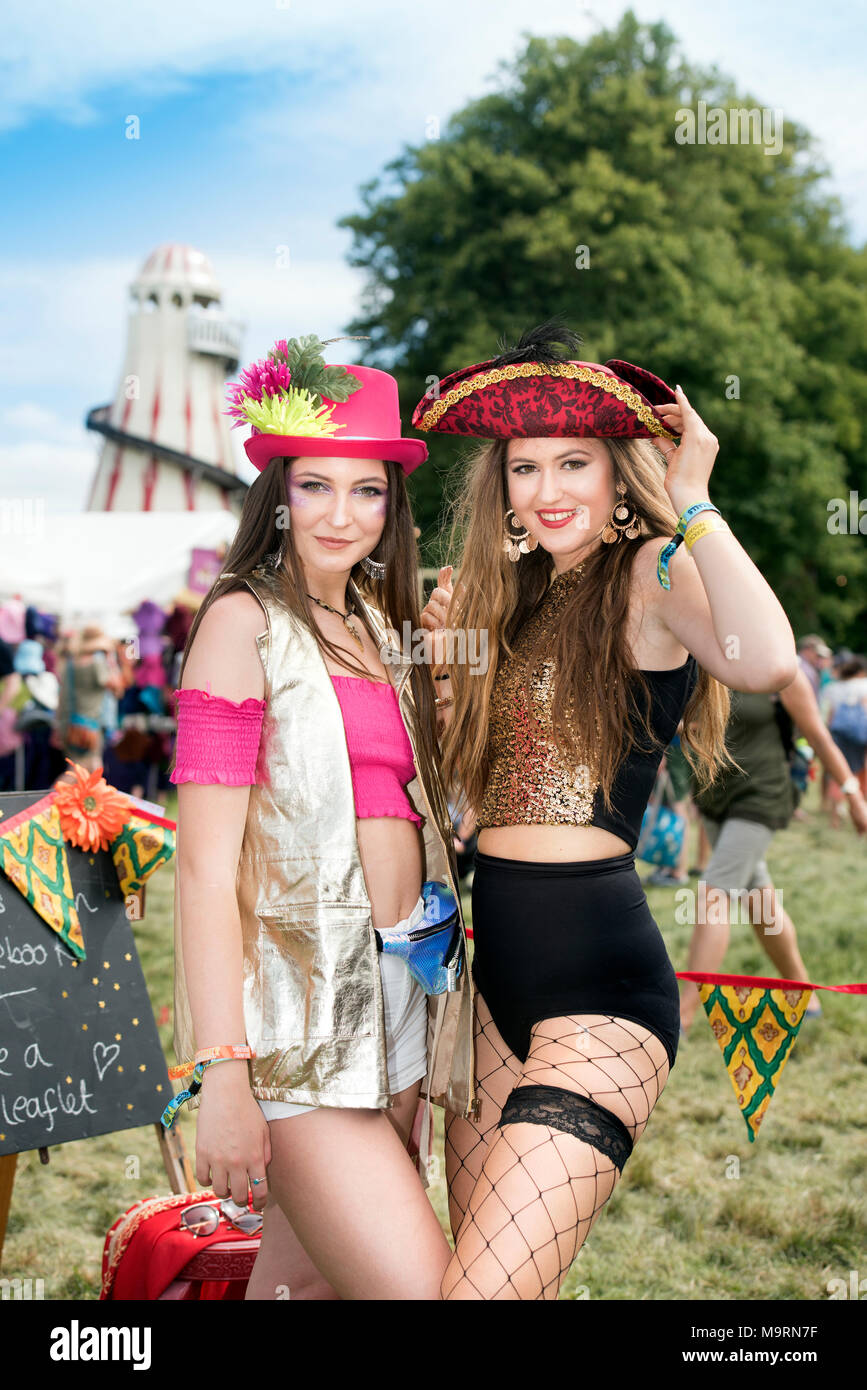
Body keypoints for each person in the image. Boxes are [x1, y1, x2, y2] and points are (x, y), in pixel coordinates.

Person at [414, 320, 798, 1299]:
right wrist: (441, 669)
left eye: (573, 462)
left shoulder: (653, 572)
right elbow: (460, 797)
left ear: (619, 469)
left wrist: (699, 495)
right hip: (486, 993)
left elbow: (765, 658)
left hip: (603, 1001)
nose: (547, 490)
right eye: (525, 467)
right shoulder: (509, 599)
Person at [169, 338, 474, 1301]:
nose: (342, 515)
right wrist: (223, 1073)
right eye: (315, 487)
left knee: (302, 1287)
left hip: (400, 999)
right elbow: (202, 871)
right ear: (277, 493)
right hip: (292, 1025)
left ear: (393, 503)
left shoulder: (382, 632)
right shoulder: (240, 625)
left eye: (368, 490)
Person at [679, 668, 867, 1030]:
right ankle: (803, 993)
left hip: (761, 795)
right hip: (715, 794)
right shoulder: (703, 665)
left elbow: (818, 736)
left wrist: (852, 794)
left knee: (714, 894)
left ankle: (683, 1013)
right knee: (758, 900)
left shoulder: (781, 671)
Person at [821, 655, 867, 818]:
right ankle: (860, 807)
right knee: (862, 770)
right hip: (861, 735)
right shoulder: (864, 685)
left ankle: (835, 812)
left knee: (838, 770)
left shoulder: (833, 688)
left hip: (838, 734)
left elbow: (828, 714)